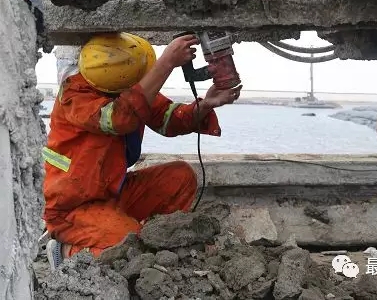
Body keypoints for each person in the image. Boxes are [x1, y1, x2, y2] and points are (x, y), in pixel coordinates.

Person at [42, 32, 241, 269]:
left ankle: (144, 237)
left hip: (114, 191)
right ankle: (66, 251)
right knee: (128, 244)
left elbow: (167, 119)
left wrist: (204, 105)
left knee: (180, 177)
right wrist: (166, 63)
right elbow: (119, 117)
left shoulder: (119, 85)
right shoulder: (75, 96)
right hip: (73, 208)